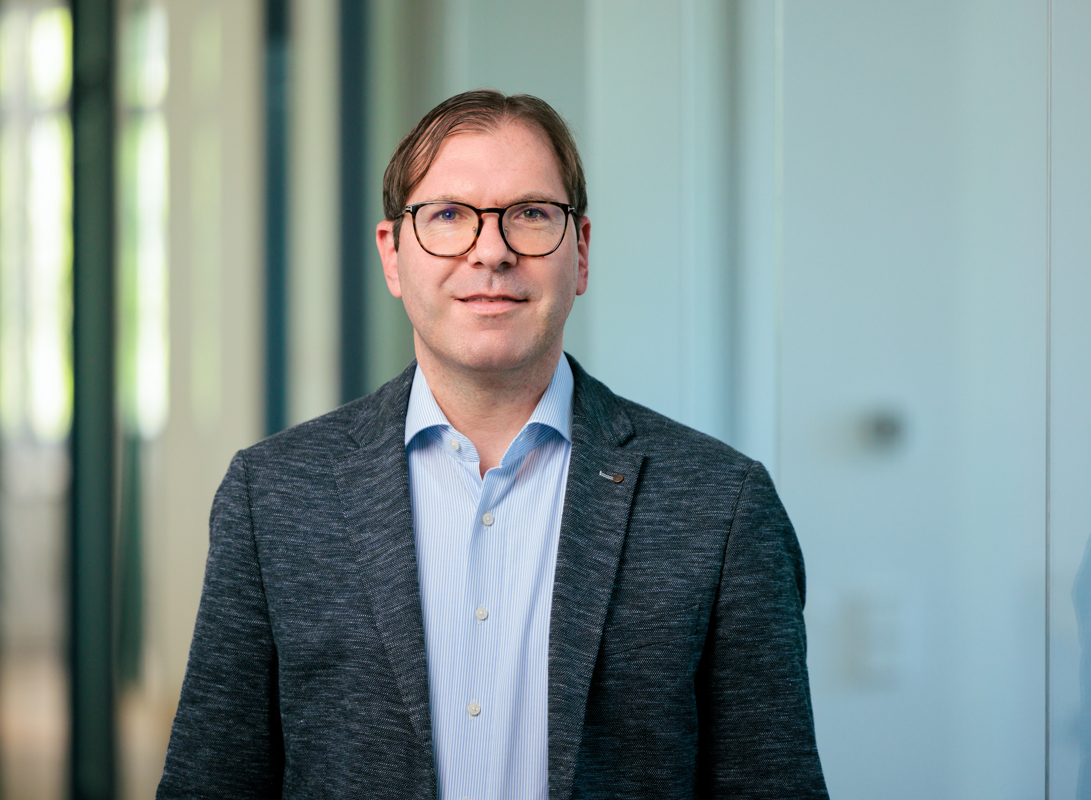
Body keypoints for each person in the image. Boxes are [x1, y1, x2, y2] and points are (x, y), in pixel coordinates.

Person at [157, 89, 828, 799]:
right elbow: (214, 779)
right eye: (447, 216)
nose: (493, 251)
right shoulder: (273, 497)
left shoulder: (722, 506)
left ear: (583, 250)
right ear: (392, 256)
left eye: (532, 215)